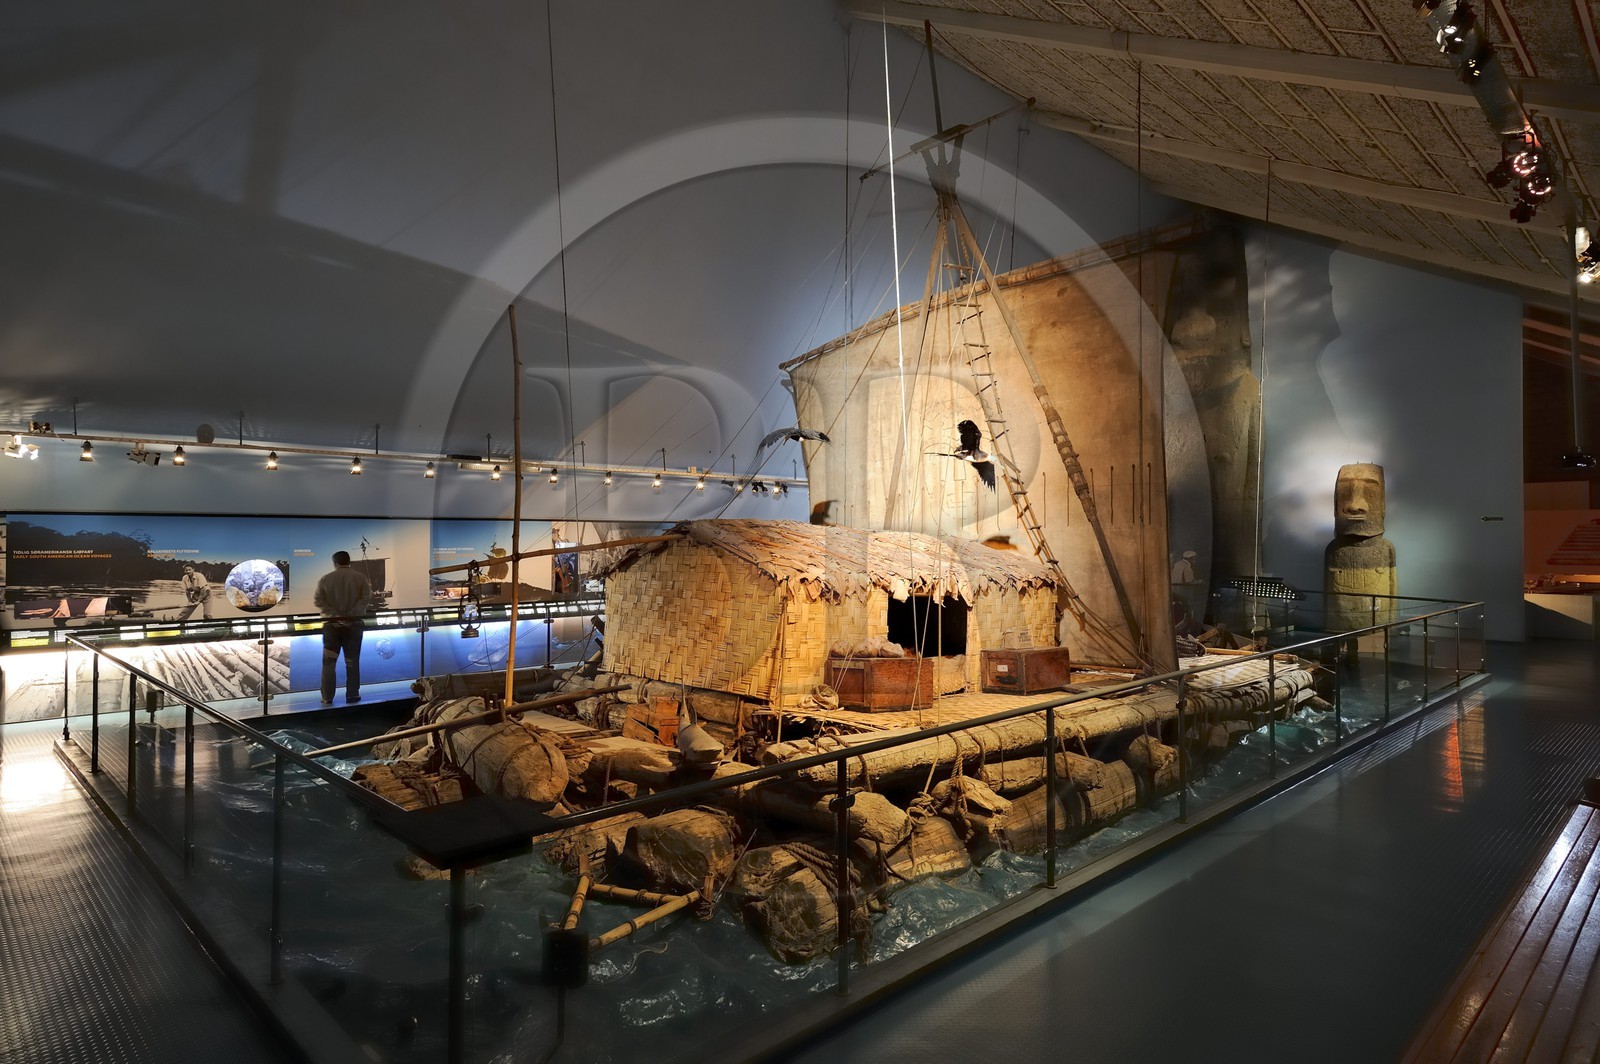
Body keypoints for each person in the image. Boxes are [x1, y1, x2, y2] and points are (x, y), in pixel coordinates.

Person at [314, 550, 371, 704]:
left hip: (331, 627)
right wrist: (350, 616)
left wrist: (336, 616)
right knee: (352, 663)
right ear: (348, 561)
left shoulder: (325, 579)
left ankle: (327, 697)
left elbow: (319, 601)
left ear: (335, 562)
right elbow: (365, 598)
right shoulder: (360, 578)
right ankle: (352, 695)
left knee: (328, 664)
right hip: (354, 626)